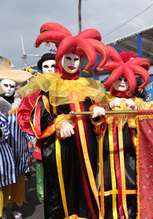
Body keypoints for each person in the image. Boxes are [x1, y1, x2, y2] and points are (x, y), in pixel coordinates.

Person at [18, 22, 108, 219]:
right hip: (60, 147)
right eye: (68, 57)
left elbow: (99, 115)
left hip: (87, 146)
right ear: (60, 57)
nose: (72, 62)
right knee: (61, 188)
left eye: (76, 58)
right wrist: (58, 122)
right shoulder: (48, 84)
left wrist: (97, 111)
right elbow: (35, 115)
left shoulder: (90, 85)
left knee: (87, 183)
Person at [98, 48, 152, 218]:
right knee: (109, 187)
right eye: (118, 78)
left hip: (130, 155)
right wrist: (106, 108)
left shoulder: (138, 102)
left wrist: (137, 111)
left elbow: (149, 128)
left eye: (125, 79)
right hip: (108, 154)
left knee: (132, 186)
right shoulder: (103, 99)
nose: (122, 82)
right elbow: (95, 124)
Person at [17, 52, 56, 203]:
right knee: (44, 185)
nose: (50, 69)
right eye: (46, 67)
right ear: (41, 69)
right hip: (44, 142)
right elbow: (23, 114)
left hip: (67, 142)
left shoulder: (68, 86)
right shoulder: (34, 90)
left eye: (53, 66)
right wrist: (37, 131)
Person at [0, 56, 32, 219]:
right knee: (3, 182)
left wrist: (31, 141)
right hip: (3, 153)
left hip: (19, 150)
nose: (9, 89)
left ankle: (14, 206)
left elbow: (26, 125)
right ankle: (2, 208)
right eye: (6, 85)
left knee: (18, 181)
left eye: (12, 86)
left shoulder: (20, 105)